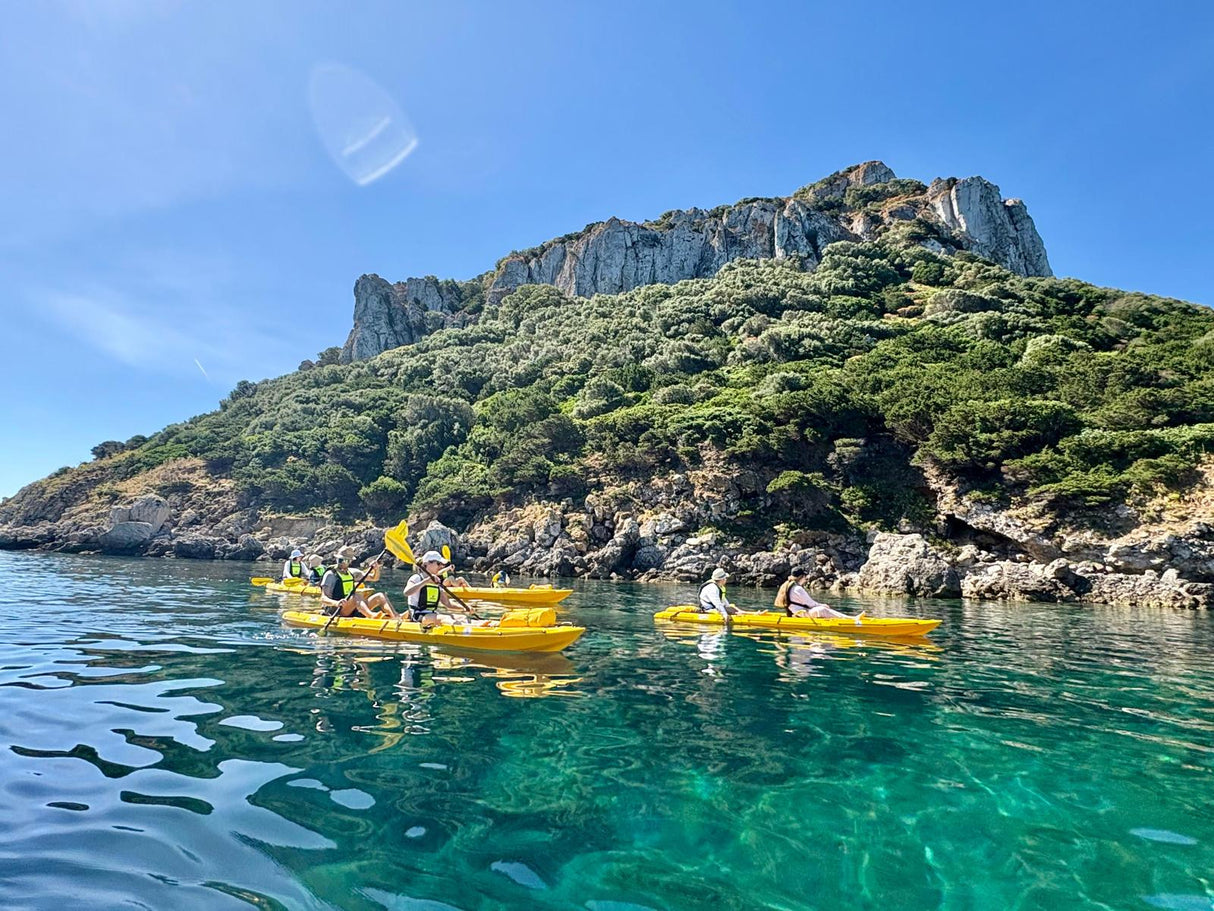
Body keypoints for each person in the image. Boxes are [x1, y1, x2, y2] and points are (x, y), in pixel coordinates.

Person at [320, 553, 397, 619]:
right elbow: (323, 598)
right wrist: (336, 603)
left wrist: (376, 569)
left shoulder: (352, 572)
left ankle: (396, 617)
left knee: (380, 596)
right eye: (340, 560)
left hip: (352, 607)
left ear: (350, 561)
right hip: (337, 609)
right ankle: (371, 615)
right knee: (356, 595)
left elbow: (374, 578)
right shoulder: (330, 575)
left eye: (346, 560)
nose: (342, 563)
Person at [777, 568, 865, 622]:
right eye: (805, 576)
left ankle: (848, 618)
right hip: (800, 614)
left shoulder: (790, 585)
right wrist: (822, 605)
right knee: (822, 609)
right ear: (802, 576)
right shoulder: (797, 589)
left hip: (797, 612)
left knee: (821, 608)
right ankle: (852, 619)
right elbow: (810, 604)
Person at [402, 550, 458, 628]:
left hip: (432, 614)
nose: (441, 566)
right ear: (426, 564)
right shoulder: (417, 578)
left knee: (461, 618)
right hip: (419, 616)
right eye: (438, 563)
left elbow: (448, 604)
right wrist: (425, 581)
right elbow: (406, 592)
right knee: (447, 618)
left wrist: (465, 609)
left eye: (441, 564)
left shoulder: (437, 582)